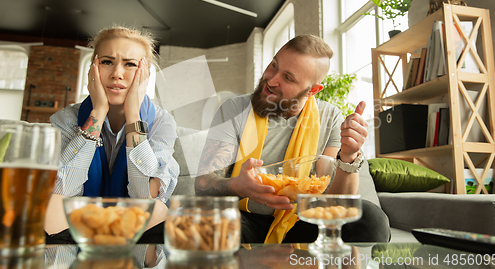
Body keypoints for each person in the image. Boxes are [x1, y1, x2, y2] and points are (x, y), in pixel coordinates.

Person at [195, 34, 390, 244]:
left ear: (312, 90)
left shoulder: (330, 117)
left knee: (371, 219)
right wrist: (238, 186)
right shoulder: (234, 109)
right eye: (273, 66)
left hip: (301, 221)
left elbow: (336, 204)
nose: (271, 80)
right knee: (194, 225)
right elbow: (203, 184)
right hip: (242, 220)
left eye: (288, 78)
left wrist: (349, 156)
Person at [45, 26, 179, 242]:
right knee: (51, 206)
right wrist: (97, 112)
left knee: (155, 209)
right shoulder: (66, 119)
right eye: (107, 62)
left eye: (130, 64)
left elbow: (146, 195)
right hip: (81, 218)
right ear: (93, 70)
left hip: (132, 222)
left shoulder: (162, 122)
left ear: (144, 74)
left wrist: (133, 114)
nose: (117, 73)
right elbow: (62, 188)